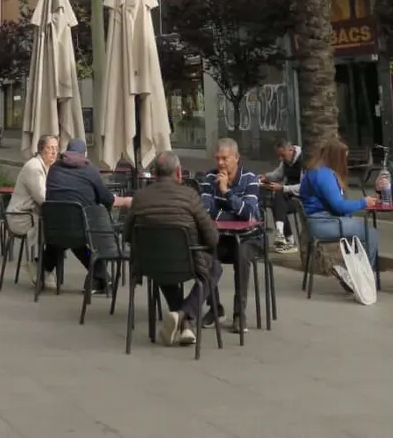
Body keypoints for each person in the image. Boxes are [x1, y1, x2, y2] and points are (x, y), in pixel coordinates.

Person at [122, 150, 222, 347]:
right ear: (178, 173)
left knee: (162, 262)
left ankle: (183, 324)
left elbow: (127, 235)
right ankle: (184, 314)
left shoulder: (140, 198)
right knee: (214, 267)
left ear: (155, 173)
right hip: (187, 263)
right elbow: (212, 239)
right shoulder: (190, 196)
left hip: (150, 265)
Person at [299, 136, 379, 292]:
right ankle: (351, 273)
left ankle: (349, 271)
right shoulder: (324, 175)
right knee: (371, 234)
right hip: (324, 224)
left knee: (360, 229)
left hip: (317, 222)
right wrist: (364, 202)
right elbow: (339, 205)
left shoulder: (313, 171)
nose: (346, 163)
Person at [43, 138, 122, 292]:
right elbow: (106, 199)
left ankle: (42, 268)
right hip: (81, 232)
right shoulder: (89, 170)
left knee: (69, 238)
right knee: (88, 239)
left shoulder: (54, 169)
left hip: (52, 230)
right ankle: (100, 277)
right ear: (84, 154)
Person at [203, 138, 261, 332]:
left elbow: (249, 214)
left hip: (248, 238)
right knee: (204, 255)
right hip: (221, 237)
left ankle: (239, 314)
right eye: (217, 158)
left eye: (225, 158)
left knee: (242, 255)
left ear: (236, 158)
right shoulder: (209, 178)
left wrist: (226, 192)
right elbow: (205, 211)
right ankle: (215, 308)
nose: (220, 163)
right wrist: (233, 216)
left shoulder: (250, 179)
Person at [7, 134, 58, 285]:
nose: (54, 152)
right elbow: (42, 198)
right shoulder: (34, 168)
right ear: (41, 149)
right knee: (58, 234)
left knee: (59, 233)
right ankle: (43, 267)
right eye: (50, 148)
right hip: (21, 217)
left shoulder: (48, 167)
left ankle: (44, 266)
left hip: (32, 215)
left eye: (56, 148)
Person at [259, 137, 303, 253]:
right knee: (277, 202)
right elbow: (278, 174)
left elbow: (304, 187)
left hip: (302, 199)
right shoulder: (285, 161)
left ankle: (286, 238)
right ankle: (285, 238)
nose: (281, 158)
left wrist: (284, 188)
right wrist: (265, 177)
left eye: (282, 155)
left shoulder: (303, 160)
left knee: (279, 197)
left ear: (291, 150)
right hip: (289, 196)